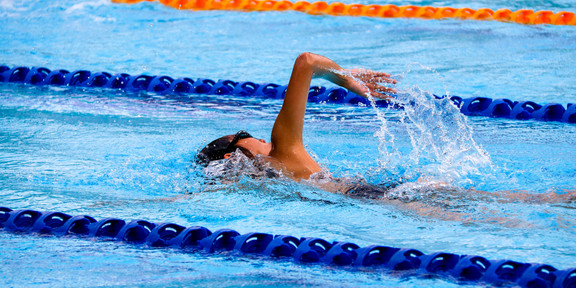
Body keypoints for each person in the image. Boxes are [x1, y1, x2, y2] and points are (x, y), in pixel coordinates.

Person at [196, 53, 397, 196]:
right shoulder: (281, 150)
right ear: (232, 156)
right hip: (377, 196)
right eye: (243, 135)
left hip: (368, 198)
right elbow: (307, 62)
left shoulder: (272, 184)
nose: (260, 138)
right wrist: (347, 79)